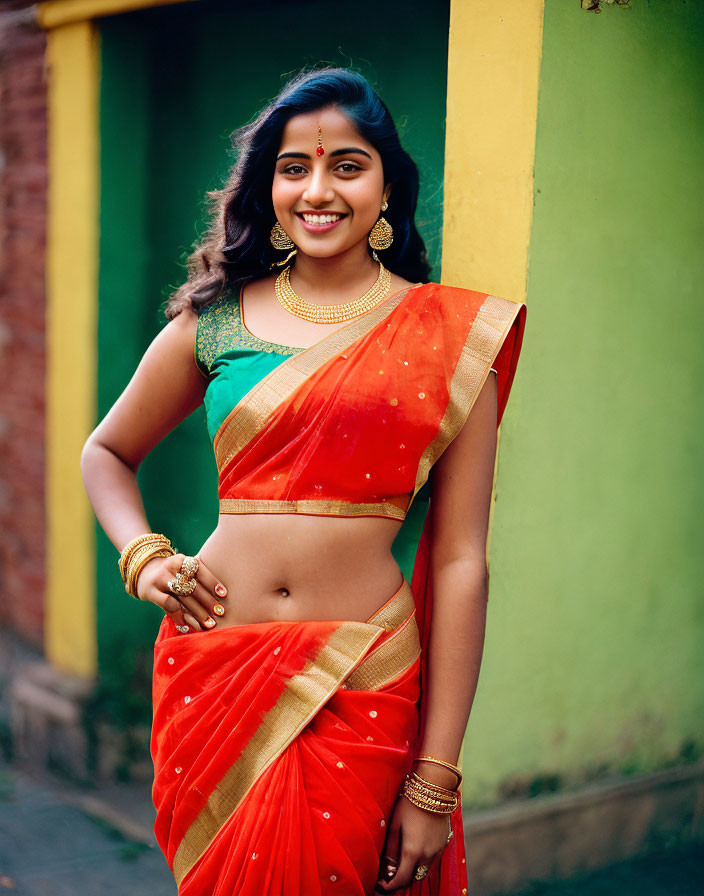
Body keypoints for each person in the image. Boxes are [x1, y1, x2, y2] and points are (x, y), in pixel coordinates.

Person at [81, 66, 526, 896]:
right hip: (214, 671)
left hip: (363, 679)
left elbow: (463, 561)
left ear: (389, 185)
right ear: (269, 186)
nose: (318, 190)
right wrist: (143, 557)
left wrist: (435, 779)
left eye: (347, 165)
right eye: (294, 168)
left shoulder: (452, 337)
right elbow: (106, 452)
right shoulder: (215, 318)